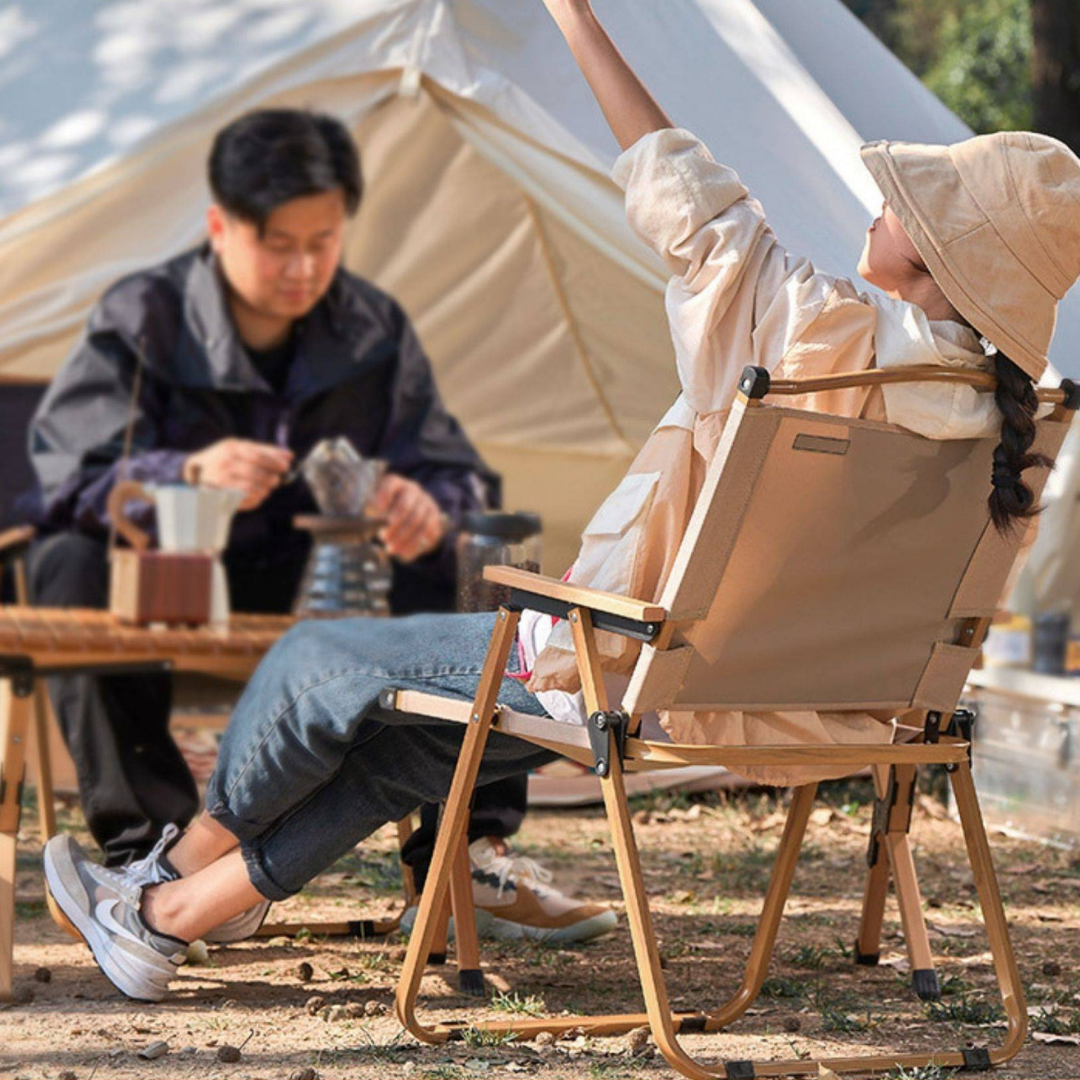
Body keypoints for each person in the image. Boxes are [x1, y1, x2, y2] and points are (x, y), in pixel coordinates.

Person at [44, 0, 1080, 1002]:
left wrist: (575, 17)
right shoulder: (1014, 426)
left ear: (944, 260)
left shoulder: (822, 336)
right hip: (828, 707)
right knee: (406, 745)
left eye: (911, 206)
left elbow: (689, 197)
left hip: (632, 674)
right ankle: (174, 918)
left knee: (316, 663)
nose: (880, 204)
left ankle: (154, 880)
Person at [27, 108, 606, 943]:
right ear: (219, 227)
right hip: (178, 572)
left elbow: (454, 470)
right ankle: (148, 859)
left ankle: (462, 861)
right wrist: (184, 474)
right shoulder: (143, 317)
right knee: (67, 560)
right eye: (277, 243)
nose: (303, 268)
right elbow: (67, 477)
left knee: (482, 549)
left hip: (330, 579)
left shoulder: (370, 325)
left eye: (323, 241)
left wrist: (425, 504)